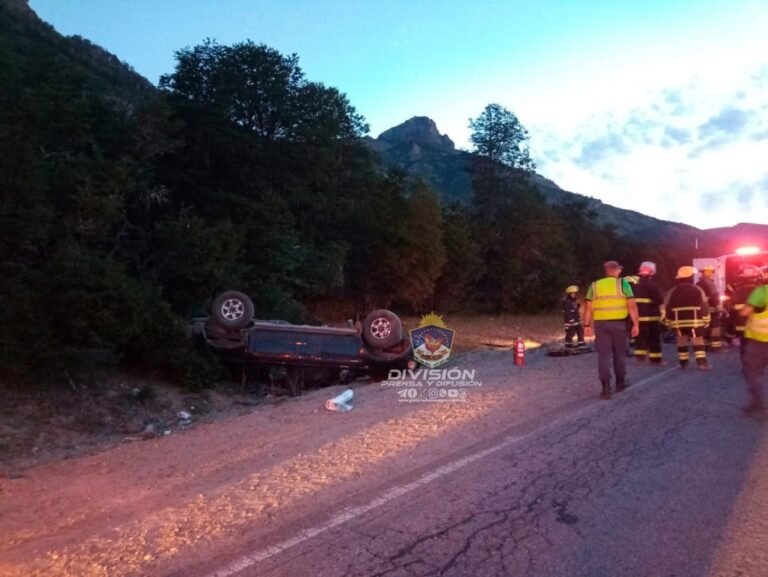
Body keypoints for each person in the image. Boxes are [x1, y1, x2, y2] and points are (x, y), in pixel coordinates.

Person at [583, 261, 639, 399]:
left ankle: (606, 388)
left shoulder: (594, 285)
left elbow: (588, 308)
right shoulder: (623, 284)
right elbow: (632, 306)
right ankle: (620, 383)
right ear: (617, 270)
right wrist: (636, 324)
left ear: (606, 270)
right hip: (619, 325)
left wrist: (586, 326)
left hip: (601, 325)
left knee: (604, 356)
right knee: (619, 354)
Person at [665, 266, 711, 370]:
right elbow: (704, 305)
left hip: (677, 322)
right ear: (691, 277)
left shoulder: (673, 291)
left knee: (681, 342)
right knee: (698, 341)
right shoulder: (697, 289)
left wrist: (668, 322)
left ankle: (683, 364)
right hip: (695, 321)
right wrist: (706, 319)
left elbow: (667, 307)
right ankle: (702, 364)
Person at [740, 282, 768, 415]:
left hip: (761, 341)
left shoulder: (762, 292)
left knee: (751, 371)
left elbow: (745, 311)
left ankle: (761, 405)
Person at [633, 261, 666, 366]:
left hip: (637, 317)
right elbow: (659, 300)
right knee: (654, 338)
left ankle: (640, 358)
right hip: (651, 317)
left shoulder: (634, 285)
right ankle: (655, 360)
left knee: (640, 337)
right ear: (652, 272)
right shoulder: (652, 285)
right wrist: (663, 312)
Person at [729, 265, 763, 357]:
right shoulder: (760, 288)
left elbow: (731, 306)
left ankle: (746, 363)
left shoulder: (737, 288)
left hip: (741, 322)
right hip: (758, 324)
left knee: (744, 343)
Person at [697, 264, 723, 352]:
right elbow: (714, 295)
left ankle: (705, 347)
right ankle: (716, 348)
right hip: (711, 308)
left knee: (705, 328)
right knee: (715, 327)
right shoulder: (708, 282)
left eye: (711, 272)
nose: (710, 273)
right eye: (708, 272)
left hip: (703, 309)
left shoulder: (699, 283)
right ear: (704, 273)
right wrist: (718, 307)